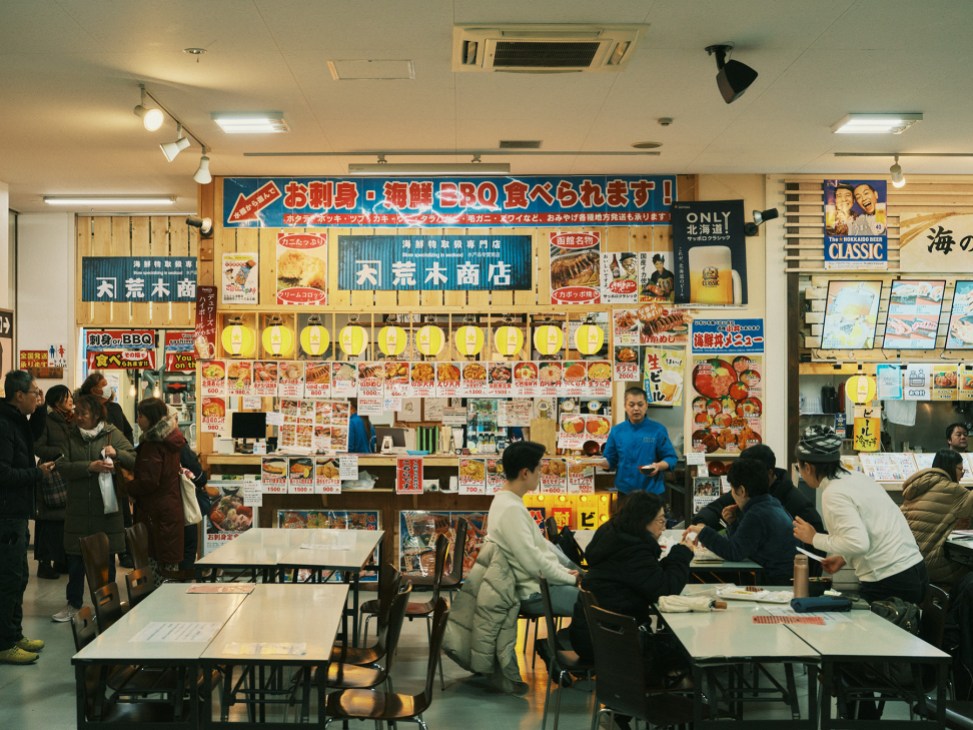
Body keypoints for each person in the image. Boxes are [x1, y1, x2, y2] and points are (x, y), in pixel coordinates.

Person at [792, 425, 927, 604]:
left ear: (807, 467)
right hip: (914, 570)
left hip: (889, 580)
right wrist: (843, 557)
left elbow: (859, 543)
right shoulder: (857, 478)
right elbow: (870, 531)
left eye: (798, 467)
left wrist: (814, 538)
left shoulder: (833, 493)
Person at [569, 491, 695, 664]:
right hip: (614, 642)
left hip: (595, 635)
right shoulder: (633, 551)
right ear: (643, 521)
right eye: (660, 520)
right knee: (688, 645)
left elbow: (652, 578)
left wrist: (674, 557)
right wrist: (682, 553)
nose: (664, 527)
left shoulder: (613, 534)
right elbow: (665, 590)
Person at [56, 393, 136, 622]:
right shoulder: (71, 436)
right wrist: (89, 467)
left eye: (83, 413)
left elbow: (134, 458)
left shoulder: (112, 434)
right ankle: (74, 604)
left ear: (96, 414)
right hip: (78, 510)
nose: (78, 417)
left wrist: (117, 453)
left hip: (106, 512)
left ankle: (106, 605)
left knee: (106, 560)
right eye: (76, 413)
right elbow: (62, 466)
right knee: (75, 560)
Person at [487, 441, 579, 616]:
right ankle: (559, 641)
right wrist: (570, 578)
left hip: (537, 584)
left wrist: (565, 572)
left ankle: (564, 639)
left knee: (596, 601)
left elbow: (538, 553)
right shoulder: (511, 508)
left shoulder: (507, 501)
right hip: (532, 593)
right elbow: (533, 562)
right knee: (597, 606)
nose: (540, 474)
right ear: (525, 473)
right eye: (538, 469)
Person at [0, 371, 55, 664]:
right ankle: (4, 642)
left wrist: (42, 407)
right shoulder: (4, 424)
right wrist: (38, 473)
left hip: (17, 513)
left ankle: (14, 633)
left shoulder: (16, 419)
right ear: (18, 395)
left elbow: (33, 437)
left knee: (19, 576)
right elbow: (4, 474)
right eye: (34, 392)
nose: (38, 395)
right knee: (8, 578)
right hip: (6, 514)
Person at [684, 458, 798, 584]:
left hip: (776, 583)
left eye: (732, 489)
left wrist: (703, 532)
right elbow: (743, 545)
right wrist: (733, 523)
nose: (732, 494)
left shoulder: (756, 514)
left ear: (742, 491)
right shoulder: (771, 504)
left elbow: (734, 552)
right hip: (784, 577)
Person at [690, 443, 824, 546]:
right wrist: (701, 524)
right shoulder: (746, 489)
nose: (746, 477)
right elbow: (715, 508)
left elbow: (818, 545)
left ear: (770, 473)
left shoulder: (796, 503)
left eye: (752, 472)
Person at [79, 371, 136, 568]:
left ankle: (125, 552)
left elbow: (127, 432)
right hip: (94, 471)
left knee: (121, 512)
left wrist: (120, 452)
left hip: (116, 466)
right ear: (94, 389)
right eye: (103, 384)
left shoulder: (114, 408)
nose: (107, 387)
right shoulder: (82, 409)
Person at [127, 398, 186, 583]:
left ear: (151, 417)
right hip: (168, 510)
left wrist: (126, 486)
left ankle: (155, 610)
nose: (138, 419)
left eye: (140, 415)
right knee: (168, 570)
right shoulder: (170, 440)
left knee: (155, 571)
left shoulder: (154, 444)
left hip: (156, 515)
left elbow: (149, 482)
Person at [901, 449, 973, 586]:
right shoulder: (954, 491)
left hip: (908, 560)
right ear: (951, 468)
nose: (962, 475)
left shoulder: (917, 486)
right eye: (960, 469)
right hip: (932, 564)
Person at [599, 387, 677, 496]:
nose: (636, 409)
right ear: (625, 406)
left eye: (640, 404)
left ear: (646, 406)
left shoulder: (658, 430)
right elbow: (610, 461)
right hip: (625, 491)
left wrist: (658, 466)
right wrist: (597, 462)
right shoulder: (617, 431)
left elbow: (671, 458)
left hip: (652, 491)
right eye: (631, 405)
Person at [33, 385, 75, 579]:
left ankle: (60, 560)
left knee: (64, 521)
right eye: (67, 397)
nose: (71, 400)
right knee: (49, 521)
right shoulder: (47, 421)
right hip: (51, 475)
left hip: (67, 474)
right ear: (57, 400)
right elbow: (38, 447)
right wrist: (60, 454)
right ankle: (44, 563)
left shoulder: (72, 420)